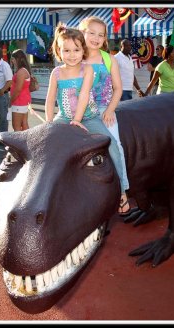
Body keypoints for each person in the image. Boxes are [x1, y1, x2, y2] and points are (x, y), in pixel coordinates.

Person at [45, 23, 130, 214]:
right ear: (59, 51)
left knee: (112, 145)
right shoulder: (56, 73)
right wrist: (49, 122)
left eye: (76, 49)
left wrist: (77, 120)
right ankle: (50, 192)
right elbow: (50, 99)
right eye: (66, 50)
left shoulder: (87, 69)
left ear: (82, 50)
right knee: (49, 147)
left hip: (89, 116)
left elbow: (84, 95)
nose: (72, 54)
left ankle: (122, 190)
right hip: (64, 117)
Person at [79, 16, 133, 215]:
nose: (95, 37)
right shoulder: (76, 56)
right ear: (82, 33)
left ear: (105, 39)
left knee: (114, 146)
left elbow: (118, 89)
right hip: (79, 110)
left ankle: (122, 192)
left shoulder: (109, 59)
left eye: (100, 35)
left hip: (103, 109)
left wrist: (110, 110)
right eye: (91, 32)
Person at [9, 49, 31, 131]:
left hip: (19, 102)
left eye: (13, 59)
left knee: (16, 126)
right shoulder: (24, 70)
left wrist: (10, 101)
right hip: (23, 101)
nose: (12, 61)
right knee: (24, 124)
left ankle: (18, 143)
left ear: (17, 59)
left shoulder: (21, 72)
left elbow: (18, 89)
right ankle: (27, 142)